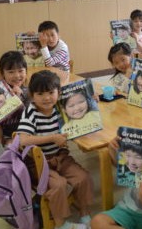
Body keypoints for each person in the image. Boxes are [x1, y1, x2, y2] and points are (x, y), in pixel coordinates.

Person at [16, 70, 93, 229]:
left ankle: (85, 213)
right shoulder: (31, 112)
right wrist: (52, 137)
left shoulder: (60, 106)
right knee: (59, 185)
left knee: (83, 177)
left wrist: (91, 103)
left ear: (59, 92)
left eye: (51, 92)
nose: (46, 98)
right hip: (38, 164)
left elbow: (81, 116)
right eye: (40, 94)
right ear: (31, 95)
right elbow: (22, 140)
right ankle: (61, 224)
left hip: (61, 157)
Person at [0, 51, 30, 142]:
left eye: (20, 71)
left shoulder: (29, 92)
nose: (17, 75)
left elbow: (30, 116)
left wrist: (18, 98)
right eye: (11, 72)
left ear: (26, 71)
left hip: (25, 134)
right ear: (2, 74)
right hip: (4, 134)